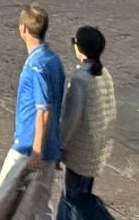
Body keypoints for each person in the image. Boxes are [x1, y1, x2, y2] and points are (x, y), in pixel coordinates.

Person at [0, 3, 66, 212]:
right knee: (40, 205)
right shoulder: (54, 60)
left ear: (23, 29)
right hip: (49, 147)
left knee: (4, 196)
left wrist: (36, 150)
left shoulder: (36, 66)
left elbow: (43, 110)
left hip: (28, 146)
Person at [58, 25, 118, 220]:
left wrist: (59, 146)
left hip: (80, 155)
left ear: (80, 48)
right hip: (95, 151)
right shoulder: (104, 74)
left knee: (77, 198)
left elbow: (70, 119)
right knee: (70, 198)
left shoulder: (80, 80)